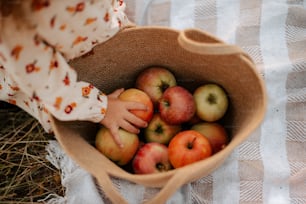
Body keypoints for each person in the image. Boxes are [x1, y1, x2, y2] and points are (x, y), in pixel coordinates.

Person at [0, 0, 148, 147]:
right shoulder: (15, 28)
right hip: (38, 69)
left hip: (86, 31)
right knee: (56, 103)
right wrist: (102, 108)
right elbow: (51, 88)